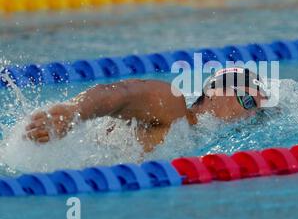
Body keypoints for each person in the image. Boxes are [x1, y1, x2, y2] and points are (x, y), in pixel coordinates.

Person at [24, 67, 268, 152]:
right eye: (247, 102)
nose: (250, 115)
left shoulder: (196, 136)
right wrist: (72, 112)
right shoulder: (173, 106)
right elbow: (119, 94)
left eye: (257, 112)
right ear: (216, 93)